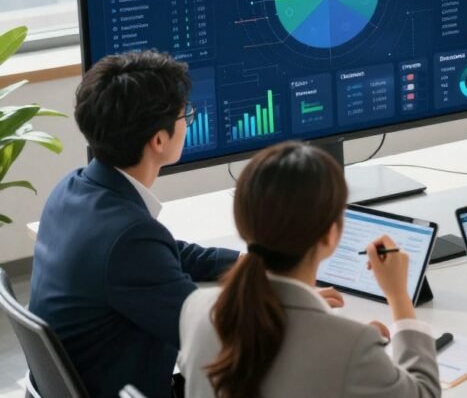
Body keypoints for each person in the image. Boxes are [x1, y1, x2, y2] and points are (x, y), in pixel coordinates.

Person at [29, 51, 241, 398]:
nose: (188, 121)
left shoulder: (72, 189)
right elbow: (208, 334)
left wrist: (248, 265)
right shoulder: (130, 239)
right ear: (159, 140)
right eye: (184, 113)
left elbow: (167, 254)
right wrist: (286, 300)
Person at [178, 141, 441, 398]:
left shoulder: (196, 308)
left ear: (242, 224)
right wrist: (398, 296)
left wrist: (333, 330)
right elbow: (424, 393)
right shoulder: (350, 345)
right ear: (330, 235)